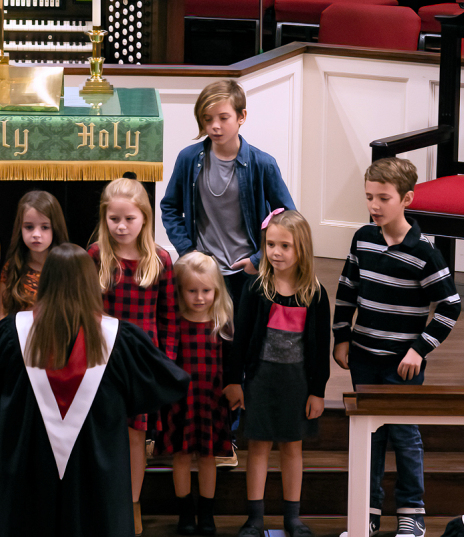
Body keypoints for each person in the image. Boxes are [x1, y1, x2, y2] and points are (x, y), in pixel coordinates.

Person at [0, 243, 189, 537]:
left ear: (46, 281)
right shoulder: (119, 339)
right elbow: (168, 382)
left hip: (30, 470)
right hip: (97, 477)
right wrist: (119, 409)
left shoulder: (10, 334)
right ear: (90, 282)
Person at [333, 158, 461, 537]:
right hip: (363, 356)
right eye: (369, 197)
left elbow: (451, 305)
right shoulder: (363, 239)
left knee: (404, 434)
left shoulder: (424, 252)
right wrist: (341, 336)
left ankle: (412, 513)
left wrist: (419, 350)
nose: (374, 205)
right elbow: (347, 290)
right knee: (368, 437)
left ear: (406, 199)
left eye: (383, 198)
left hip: (402, 364)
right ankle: (367, 511)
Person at [223, 210, 330, 537]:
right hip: (260, 381)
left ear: (302, 250)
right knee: (257, 448)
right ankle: (255, 518)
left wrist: (318, 390)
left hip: (296, 384)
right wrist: (233, 381)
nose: (276, 252)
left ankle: (291, 518)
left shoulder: (315, 293)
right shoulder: (256, 289)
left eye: (285, 246)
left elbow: (321, 346)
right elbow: (239, 340)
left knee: (292, 448)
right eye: (271, 244)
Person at [88, 177, 178, 535]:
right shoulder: (96, 256)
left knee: (136, 436)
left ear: (144, 218)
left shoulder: (161, 260)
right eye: (114, 219)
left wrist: (165, 362)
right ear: (104, 219)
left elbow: (169, 318)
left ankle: (132, 504)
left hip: (140, 362)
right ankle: (102, 501)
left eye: (129, 219)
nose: (121, 226)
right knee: (101, 431)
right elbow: (88, 310)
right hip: (102, 359)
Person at [160, 79, 295, 307]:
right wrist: (187, 251)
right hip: (203, 270)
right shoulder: (188, 159)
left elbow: (289, 218)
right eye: (207, 119)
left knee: (242, 338)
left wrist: (258, 259)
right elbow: (169, 207)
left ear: (241, 116)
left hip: (247, 272)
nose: (215, 126)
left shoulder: (262, 164)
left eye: (223, 118)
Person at [160, 252, 234, 536]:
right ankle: (185, 513)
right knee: (181, 456)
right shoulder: (174, 324)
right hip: (181, 403)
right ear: (180, 291)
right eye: (192, 290)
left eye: (206, 290)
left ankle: (206, 512)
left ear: (216, 290)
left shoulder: (222, 324)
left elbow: (230, 367)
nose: (200, 297)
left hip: (211, 402)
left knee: (207, 458)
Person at [0, 190, 68, 322]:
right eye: (29, 227)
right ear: (20, 228)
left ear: (55, 228)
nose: (36, 234)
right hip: (20, 340)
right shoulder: (13, 266)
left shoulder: (67, 267)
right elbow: (1, 318)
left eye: (45, 227)